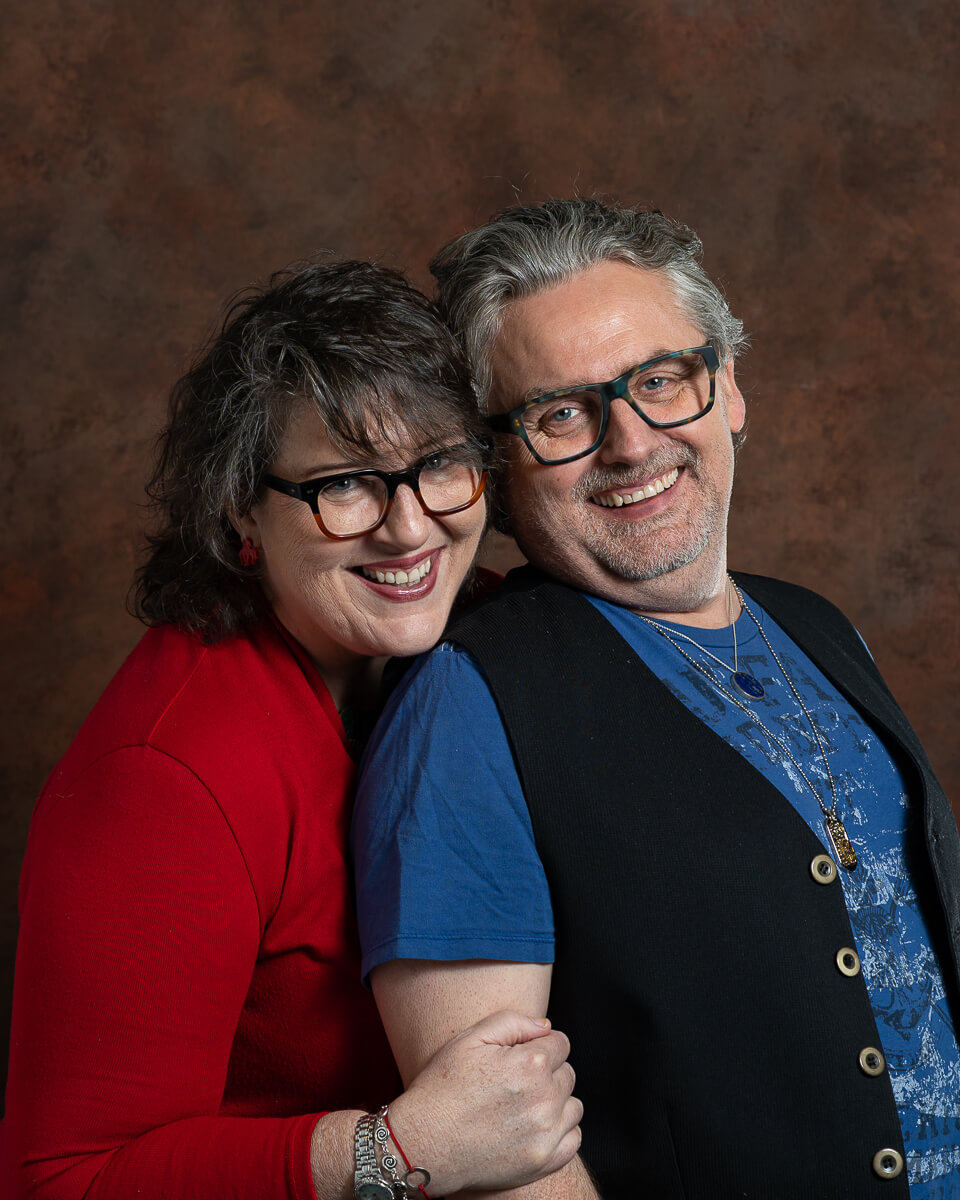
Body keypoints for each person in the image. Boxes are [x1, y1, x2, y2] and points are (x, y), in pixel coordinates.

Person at [353, 201, 960, 1199]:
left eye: (661, 381)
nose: (631, 443)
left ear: (730, 391)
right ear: (496, 476)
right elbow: (500, 1156)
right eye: (560, 413)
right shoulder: (464, 707)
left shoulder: (818, 626)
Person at [3, 260, 583, 1200]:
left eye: (440, 466)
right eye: (346, 485)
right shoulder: (165, 778)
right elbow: (63, 1181)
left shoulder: (470, 633)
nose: (408, 530)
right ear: (240, 506)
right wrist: (389, 1152)